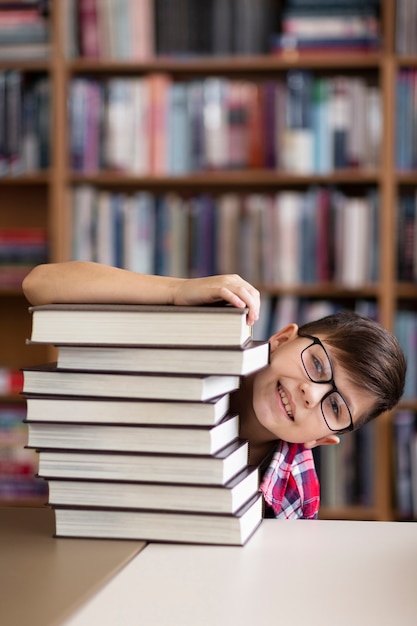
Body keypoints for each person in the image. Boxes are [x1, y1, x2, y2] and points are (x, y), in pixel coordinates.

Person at [22, 261, 406, 519]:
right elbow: (39, 285)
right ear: (282, 338)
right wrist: (175, 292)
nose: (312, 394)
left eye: (336, 407)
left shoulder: (297, 491)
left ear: (325, 438)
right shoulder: (196, 344)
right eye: (318, 364)